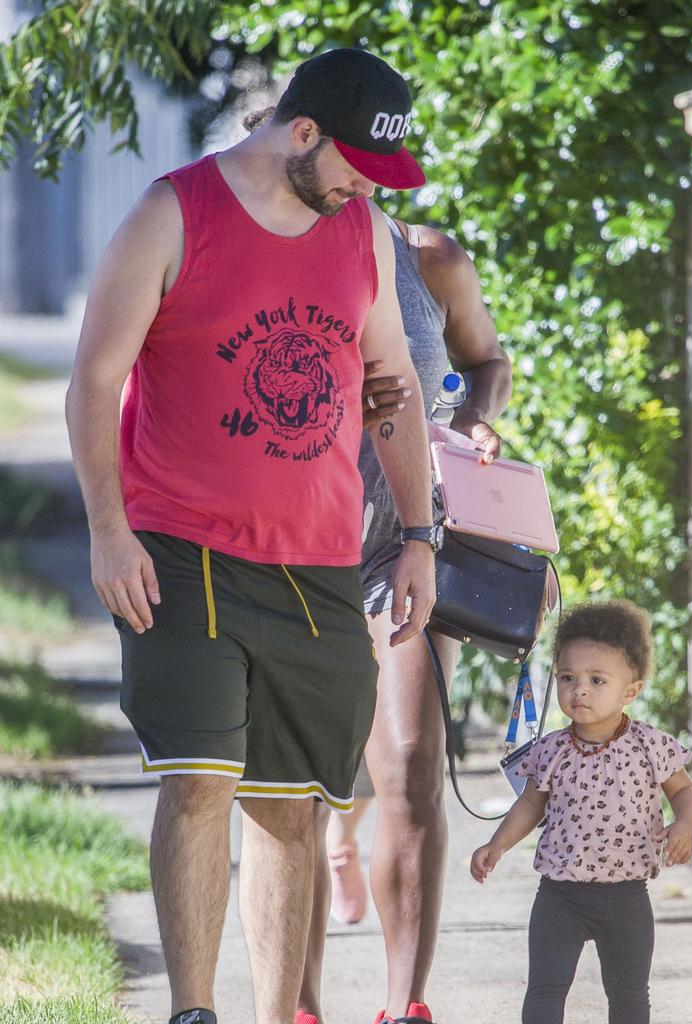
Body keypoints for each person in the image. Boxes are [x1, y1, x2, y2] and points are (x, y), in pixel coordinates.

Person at [65, 48, 439, 1024]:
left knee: (289, 804)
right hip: (179, 549)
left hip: (317, 560)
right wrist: (108, 532)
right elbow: (95, 383)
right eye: (357, 165)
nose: (365, 188)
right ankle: (195, 1011)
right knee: (199, 778)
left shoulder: (365, 233)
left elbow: (391, 388)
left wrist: (422, 536)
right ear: (301, 131)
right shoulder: (171, 213)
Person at [296, 215, 512, 1024]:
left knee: (414, 769)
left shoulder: (429, 259)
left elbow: (486, 358)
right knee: (300, 789)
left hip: (409, 543)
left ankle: (404, 1006)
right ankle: (300, 1004)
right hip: (291, 551)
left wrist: (474, 419)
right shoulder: (262, 244)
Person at [470, 600, 692, 1024]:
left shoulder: (651, 746)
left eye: (597, 680)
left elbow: (686, 792)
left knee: (629, 996)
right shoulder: (551, 750)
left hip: (627, 897)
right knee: (545, 990)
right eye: (568, 678)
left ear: (630, 691)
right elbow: (530, 804)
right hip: (559, 897)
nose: (580, 690)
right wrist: (497, 844)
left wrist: (684, 824)